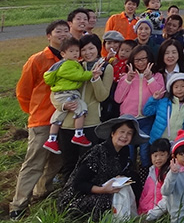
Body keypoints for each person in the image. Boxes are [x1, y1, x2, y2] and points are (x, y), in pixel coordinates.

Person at [10, 20, 72, 219]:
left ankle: (42, 191)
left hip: (64, 119)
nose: (63, 34)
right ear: (49, 36)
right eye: (58, 31)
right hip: (42, 121)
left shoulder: (72, 58)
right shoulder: (38, 60)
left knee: (57, 160)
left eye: (65, 31)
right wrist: (33, 112)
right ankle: (18, 204)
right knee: (34, 161)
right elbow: (22, 91)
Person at [56, 115, 146, 219]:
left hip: (106, 190)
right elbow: (78, 183)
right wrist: (102, 190)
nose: (125, 136)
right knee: (108, 199)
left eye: (129, 133)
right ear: (113, 133)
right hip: (78, 198)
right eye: (122, 132)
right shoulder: (97, 152)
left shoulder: (124, 154)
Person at [58, 35, 115, 177]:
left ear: (98, 49)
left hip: (91, 122)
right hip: (67, 122)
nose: (87, 53)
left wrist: (95, 78)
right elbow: (57, 90)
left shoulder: (106, 68)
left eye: (91, 48)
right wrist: (63, 105)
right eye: (83, 49)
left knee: (87, 164)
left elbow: (102, 96)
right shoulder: (72, 66)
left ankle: (84, 196)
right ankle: (68, 196)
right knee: (68, 164)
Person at [42, 36, 99, 154]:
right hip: (67, 93)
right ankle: (79, 134)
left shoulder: (67, 64)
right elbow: (78, 76)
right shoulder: (68, 65)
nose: (75, 54)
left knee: (59, 115)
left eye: (77, 51)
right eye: (71, 51)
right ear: (63, 53)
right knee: (81, 108)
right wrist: (91, 74)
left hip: (61, 93)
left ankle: (51, 139)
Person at [114, 45, 165, 165]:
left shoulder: (157, 76)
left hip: (146, 119)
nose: (140, 63)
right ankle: (129, 176)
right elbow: (118, 99)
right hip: (128, 119)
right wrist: (128, 80)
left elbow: (159, 94)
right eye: (137, 60)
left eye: (143, 59)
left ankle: (145, 178)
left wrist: (149, 78)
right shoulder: (127, 77)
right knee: (128, 152)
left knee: (144, 152)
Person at [143, 72, 184, 143]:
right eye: (176, 87)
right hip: (159, 140)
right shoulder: (163, 102)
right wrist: (153, 99)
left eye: (183, 86)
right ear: (171, 89)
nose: (179, 89)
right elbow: (147, 112)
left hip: (178, 141)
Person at [139, 137, 170, 218]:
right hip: (148, 213)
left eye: (162, 155)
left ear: (168, 155)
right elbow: (144, 194)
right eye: (155, 155)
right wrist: (141, 211)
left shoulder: (169, 173)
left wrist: (152, 215)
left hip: (162, 214)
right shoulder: (151, 171)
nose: (158, 158)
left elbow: (167, 199)